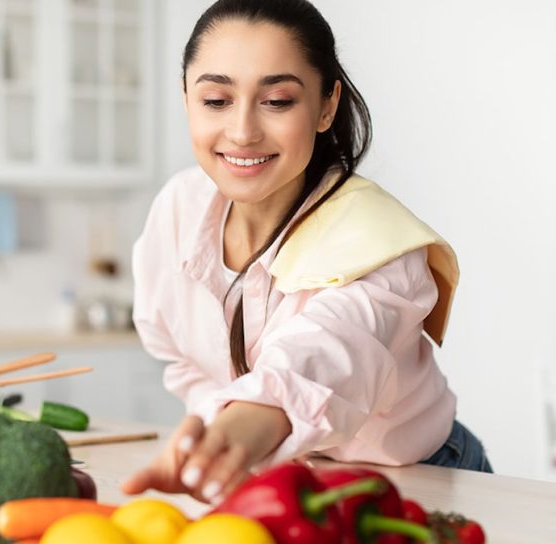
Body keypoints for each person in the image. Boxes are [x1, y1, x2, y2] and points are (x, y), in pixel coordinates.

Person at [121, 0, 492, 504]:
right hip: (282, 482)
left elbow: (327, 355)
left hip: (414, 482)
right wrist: (220, 435)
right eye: (216, 100)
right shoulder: (179, 207)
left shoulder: (379, 241)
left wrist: (244, 428)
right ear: (186, 98)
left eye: (276, 101)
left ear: (325, 106)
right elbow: (178, 355)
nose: (243, 131)